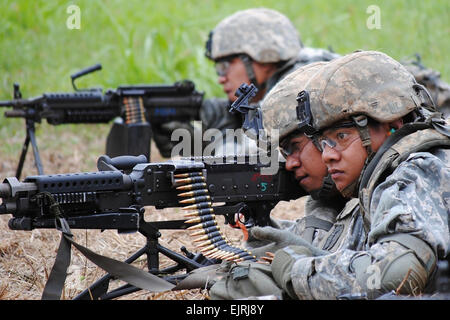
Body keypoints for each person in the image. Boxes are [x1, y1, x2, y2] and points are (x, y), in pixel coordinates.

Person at [267, 50, 449, 300]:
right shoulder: (384, 181)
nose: (327, 156)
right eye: (323, 143)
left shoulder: (418, 172)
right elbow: (351, 250)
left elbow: (397, 272)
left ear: (391, 126)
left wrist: (295, 273)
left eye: (341, 137)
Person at [152, 8, 339, 158]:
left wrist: (220, 130)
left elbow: (257, 159)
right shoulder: (280, 84)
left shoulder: (303, 80)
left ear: (263, 57)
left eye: (225, 66)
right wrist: (190, 138)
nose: (221, 77)